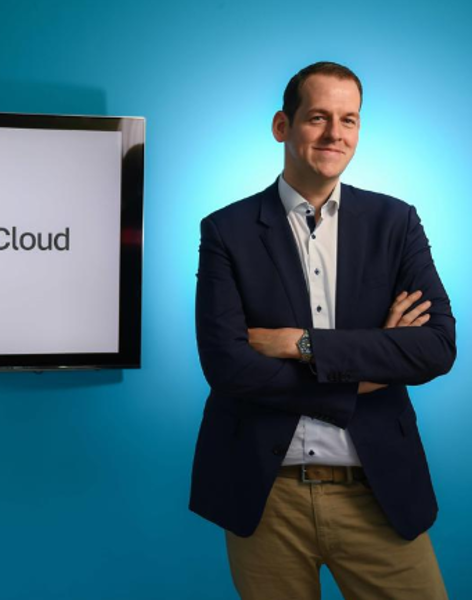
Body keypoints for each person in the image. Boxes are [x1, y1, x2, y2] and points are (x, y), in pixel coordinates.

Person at [190, 61, 456, 599]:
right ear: (282, 126)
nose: (336, 134)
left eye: (349, 120)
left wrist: (300, 344)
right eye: (318, 117)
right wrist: (369, 365)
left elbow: (434, 348)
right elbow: (228, 366)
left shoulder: (395, 223)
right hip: (266, 498)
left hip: (377, 491)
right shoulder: (227, 230)